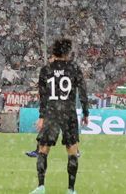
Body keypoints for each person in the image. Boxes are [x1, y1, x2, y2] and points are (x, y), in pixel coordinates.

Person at [30, 37, 87, 194]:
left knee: (43, 149)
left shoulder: (46, 69)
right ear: (68, 52)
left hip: (52, 113)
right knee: (72, 150)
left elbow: (43, 96)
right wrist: (86, 112)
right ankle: (71, 189)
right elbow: (82, 92)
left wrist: (42, 116)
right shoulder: (74, 68)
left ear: (54, 51)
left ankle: (41, 186)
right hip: (69, 112)